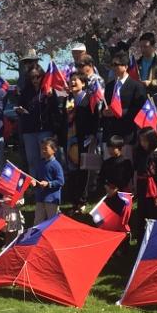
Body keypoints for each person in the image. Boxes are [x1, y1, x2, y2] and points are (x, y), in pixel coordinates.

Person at [103, 50, 147, 158]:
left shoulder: (136, 86)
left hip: (127, 134)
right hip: (110, 134)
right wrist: (104, 112)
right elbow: (105, 105)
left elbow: (139, 109)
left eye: (116, 64)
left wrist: (119, 112)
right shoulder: (109, 86)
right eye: (112, 65)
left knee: (125, 163)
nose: (114, 67)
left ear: (126, 66)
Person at [16, 67, 58, 180]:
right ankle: (34, 184)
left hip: (44, 129)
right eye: (32, 77)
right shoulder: (26, 91)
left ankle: (47, 182)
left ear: (42, 76)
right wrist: (20, 110)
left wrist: (51, 97)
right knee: (32, 160)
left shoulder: (48, 89)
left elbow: (55, 110)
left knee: (45, 157)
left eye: (37, 77)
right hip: (29, 130)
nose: (35, 80)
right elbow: (19, 106)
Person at [65, 73, 100, 213]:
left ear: (83, 83)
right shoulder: (68, 99)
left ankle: (82, 200)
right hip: (70, 138)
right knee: (73, 170)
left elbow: (96, 118)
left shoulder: (90, 98)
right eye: (71, 80)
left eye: (75, 80)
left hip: (86, 139)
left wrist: (92, 135)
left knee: (84, 170)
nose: (72, 82)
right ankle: (74, 200)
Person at [132, 126, 157, 241]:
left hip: (154, 190)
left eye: (145, 140)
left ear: (151, 140)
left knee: (154, 214)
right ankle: (140, 239)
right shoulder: (140, 153)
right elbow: (136, 171)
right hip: (142, 188)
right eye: (141, 140)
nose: (142, 143)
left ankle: (154, 239)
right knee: (141, 214)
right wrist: (135, 187)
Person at [0, 164, 24, 246]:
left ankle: (14, 247)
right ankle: (7, 246)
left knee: (14, 234)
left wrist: (12, 201)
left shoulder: (7, 186)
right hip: (3, 214)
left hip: (12, 214)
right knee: (7, 234)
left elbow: (20, 199)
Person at [34, 137, 64, 225]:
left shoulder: (56, 165)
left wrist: (48, 184)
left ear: (54, 150)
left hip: (52, 199)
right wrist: (35, 183)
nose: (43, 151)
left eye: (45, 148)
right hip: (40, 198)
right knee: (38, 222)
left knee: (53, 222)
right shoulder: (41, 163)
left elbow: (61, 181)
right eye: (41, 148)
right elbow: (38, 178)